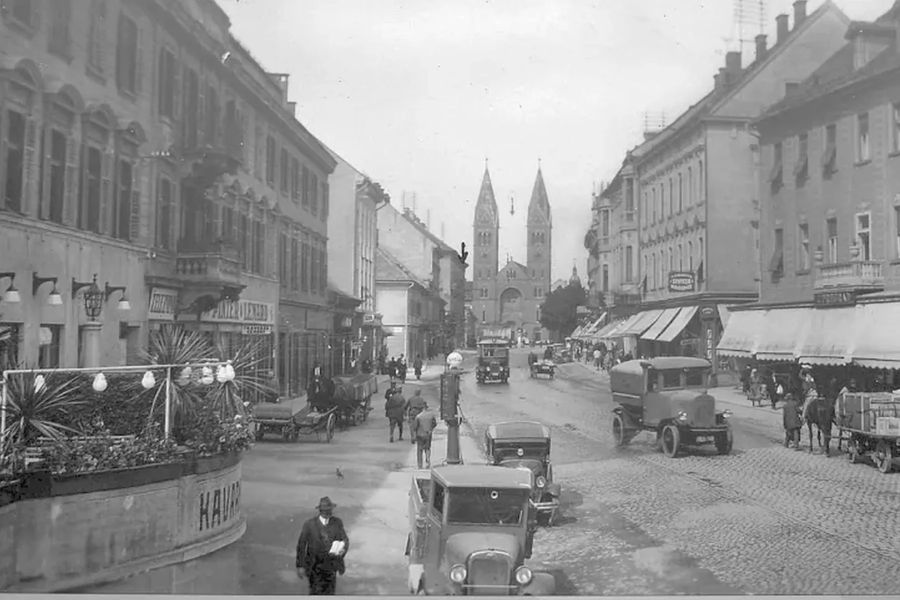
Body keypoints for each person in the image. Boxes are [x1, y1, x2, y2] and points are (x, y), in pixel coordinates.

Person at [296, 496, 349, 595]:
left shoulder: (337, 523)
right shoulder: (309, 525)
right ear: (320, 511)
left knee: (330, 593)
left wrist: (343, 550)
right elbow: (301, 545)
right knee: (316, 592)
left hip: (331, 567)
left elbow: (345, 540)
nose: (329, 513)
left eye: (330, 510)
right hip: (315, 567)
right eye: (326, 511)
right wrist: (300, 565)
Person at [412, 403, 438, 469]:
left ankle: (420, 465)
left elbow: (415, 427)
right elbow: (434, 424)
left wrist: (414, 436)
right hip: (428, 434)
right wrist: (430, 429)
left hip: (420, 435)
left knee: (419, 450)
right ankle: (428, 461)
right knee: (428, 448)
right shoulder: (431, 415)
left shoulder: (418, 416)